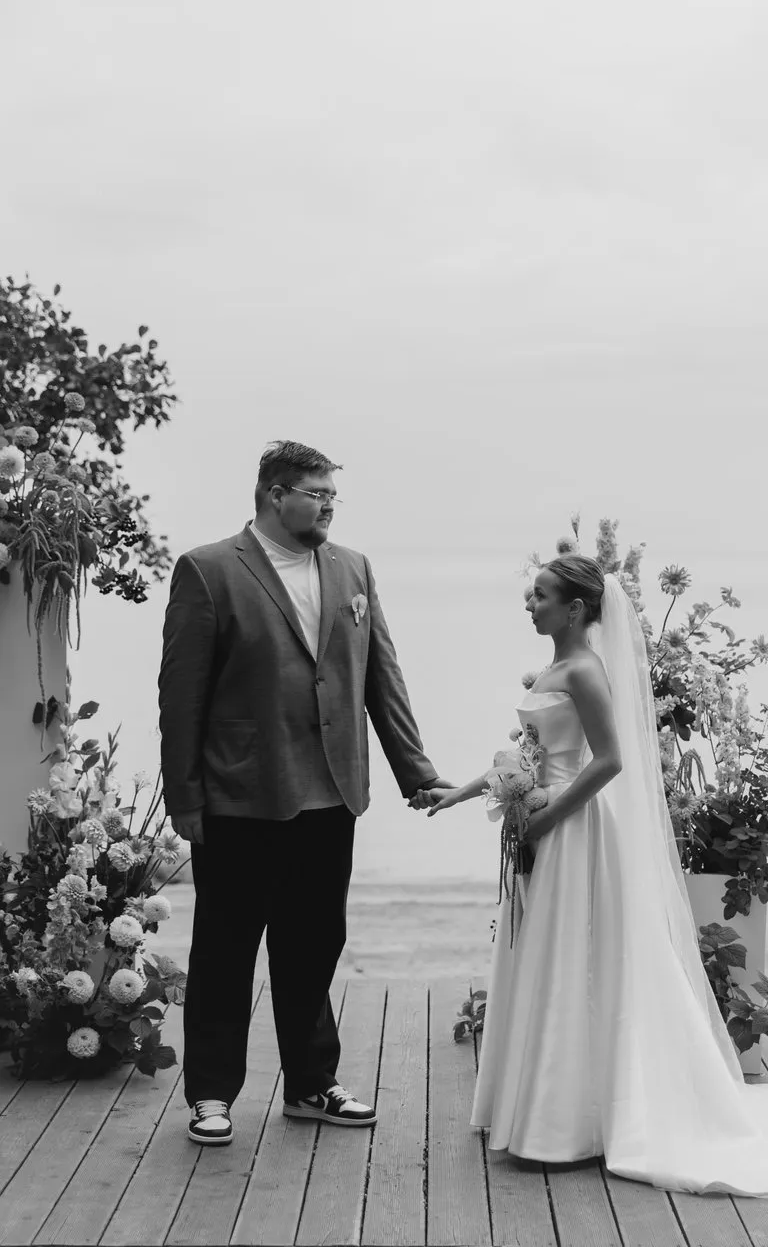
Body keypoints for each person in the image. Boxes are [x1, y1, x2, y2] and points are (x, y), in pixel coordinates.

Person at [420, 552, 768, 1195]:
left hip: (573, 830)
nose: (530, 603)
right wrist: (463, 792)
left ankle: (564, 1123)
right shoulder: (552, 668)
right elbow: (527, 754)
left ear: (576, 608)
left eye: (541, 595)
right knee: (542, 954)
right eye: (532, 594)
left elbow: (608, 762)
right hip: (543, 827)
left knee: (573, 955)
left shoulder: (585, 670)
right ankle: (533, 1105)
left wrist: (548, 816)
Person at [158, 439, 449, 1146]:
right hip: (239, 795)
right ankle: (211, 1094)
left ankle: (313, 1085)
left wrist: (414, 770)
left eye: (332, 497)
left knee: (313, 946)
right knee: (226, 949)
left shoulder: (352, 568)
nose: (328, 508)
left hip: (331, 794)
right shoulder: (208, 569)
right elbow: (181, 695)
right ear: (274, 495)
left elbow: (382, 675)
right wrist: (184, 797)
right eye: (317, 495)